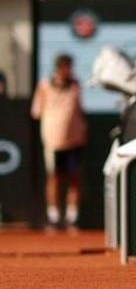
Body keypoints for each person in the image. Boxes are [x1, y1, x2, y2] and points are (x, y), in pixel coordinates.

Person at [31, 53, 88, 229]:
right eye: (64, 67)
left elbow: (80, 108)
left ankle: (72, 216)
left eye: (69, 67)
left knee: (74, 177)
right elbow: (36, 112)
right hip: (53, 140)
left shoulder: (76, 85)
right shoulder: (44, 85)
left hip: (75, 139)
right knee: (54, 177)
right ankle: (54, 216)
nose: (67, 71)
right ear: (57, 68)